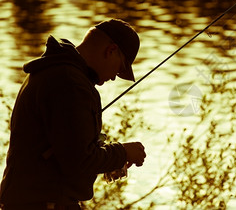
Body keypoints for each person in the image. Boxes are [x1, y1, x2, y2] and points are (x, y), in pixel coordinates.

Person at [0, 19, 147, 210]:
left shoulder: (55, 71)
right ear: (110, 50)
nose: (113, 77)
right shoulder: (70, 84)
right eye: (119, 69)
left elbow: (66, 150)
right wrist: (123, 152)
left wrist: (106, 159)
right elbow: (80, 161)